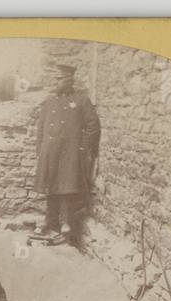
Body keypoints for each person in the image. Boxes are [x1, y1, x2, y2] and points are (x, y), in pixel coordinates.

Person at [32, 64, 101, 245]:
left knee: (66, 187)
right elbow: (41, 127)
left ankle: (66, 222)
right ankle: (49, 220)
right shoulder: (49, 101)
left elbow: (93, 126)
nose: (55, 82)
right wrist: (41, 149)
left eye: (59, 79)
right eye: (55, 78)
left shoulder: (81, 100)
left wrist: (82, 148)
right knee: (50, 186)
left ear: (69, 80)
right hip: (50, 151)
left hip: (69, 152)